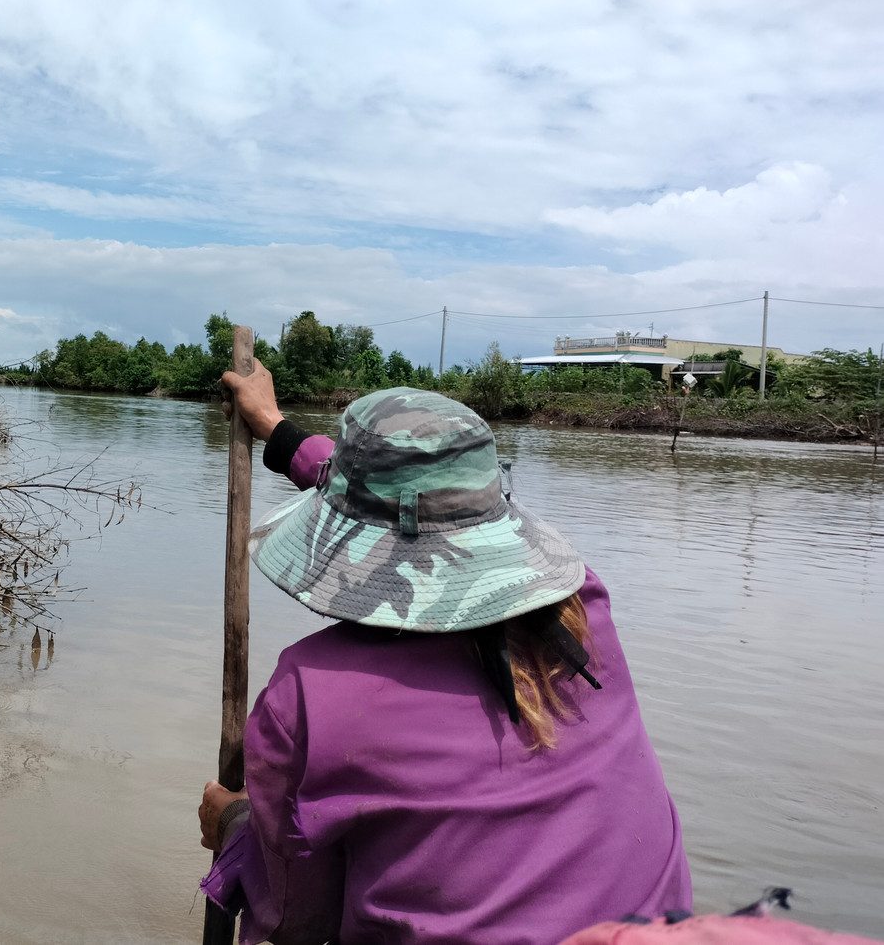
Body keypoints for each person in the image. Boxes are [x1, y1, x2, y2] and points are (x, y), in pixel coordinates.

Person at [197, 362, 692, 945]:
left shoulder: (310, 697)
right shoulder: (586, 609)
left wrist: (234, 825)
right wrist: (278, 431)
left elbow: (295, 920)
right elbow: (423, 507)